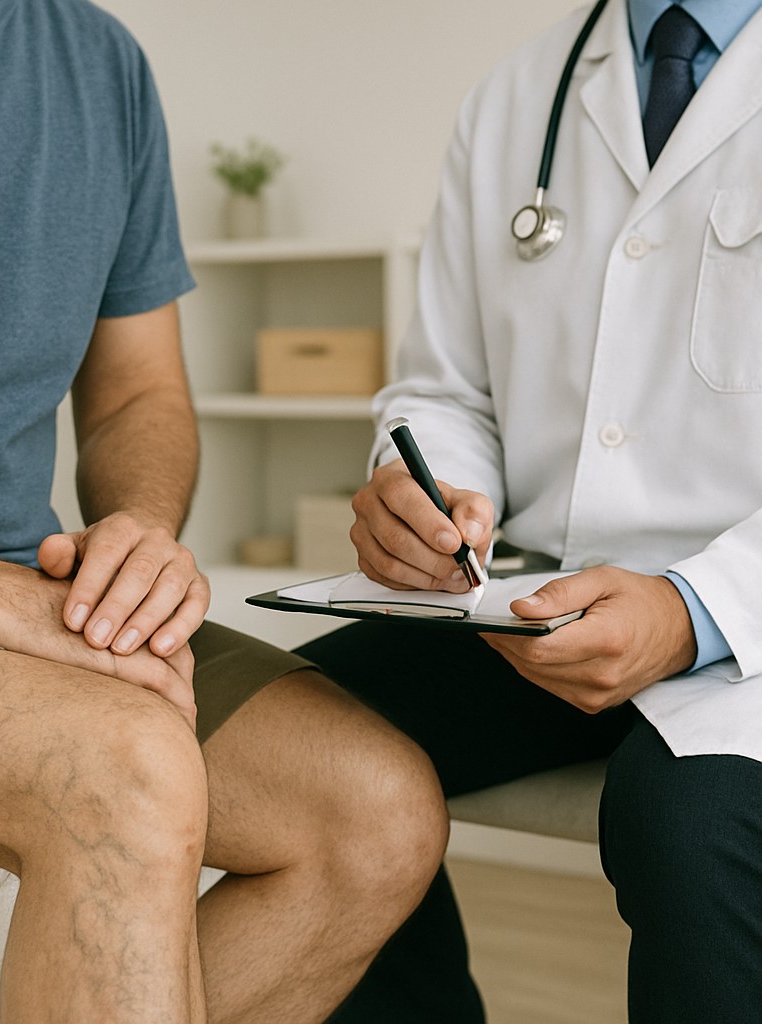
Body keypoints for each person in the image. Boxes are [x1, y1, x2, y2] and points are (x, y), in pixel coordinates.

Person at [0, 1, 452, 1021]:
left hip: (1, 589)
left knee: (373, 809)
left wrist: (140, 531)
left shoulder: (101, 61)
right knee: (125, 766)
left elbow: (136, 396)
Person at [302, 1, 762, 1021]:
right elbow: (444, 391)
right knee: (289, 746)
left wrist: (692, 607)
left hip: (746, 622)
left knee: (687, 826)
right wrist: (427, 493)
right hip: (534, 600)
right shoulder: (520, 95)